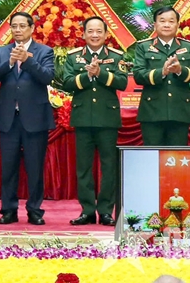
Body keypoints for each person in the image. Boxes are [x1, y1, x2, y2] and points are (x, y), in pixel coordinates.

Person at [0, 12, 55, 225]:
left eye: (22, 26)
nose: (17, 30)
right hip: (8, 118)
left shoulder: (44, 51)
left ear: (32, 28)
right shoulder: (2, 51)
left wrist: (27, 61)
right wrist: (9, 62)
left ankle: (35, 210)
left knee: (35, 168)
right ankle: (8, 210)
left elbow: (47, 77)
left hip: (35, 118)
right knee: (8, 168)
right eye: (14, 26)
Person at [61, 16, 127, 227]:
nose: (95, 35)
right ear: (83, 34)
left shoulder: (116, 56)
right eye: (90, 31)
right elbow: (67, 83)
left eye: (99, 31)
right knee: (83, 168)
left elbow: (123, 82)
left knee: (109, 167)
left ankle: (106, 211)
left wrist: (100, 73)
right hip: (83, 119)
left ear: (106, 34)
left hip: (107, 119)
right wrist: (87, 76)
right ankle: (87, 211)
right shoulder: (74, 57)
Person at [133, 6, 190, 146]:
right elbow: (138, 75)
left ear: (177, 25)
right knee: (152, 155)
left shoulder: (188, 46)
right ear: (155, 25)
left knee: (177, 156)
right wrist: (162, 72)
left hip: (180, 111)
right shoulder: (143, 47)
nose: (166, 25)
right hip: (152, 112)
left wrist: (180, 70)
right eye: (162, 21)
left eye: (171, 21)